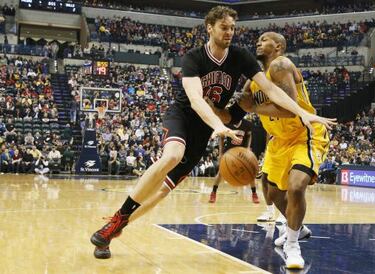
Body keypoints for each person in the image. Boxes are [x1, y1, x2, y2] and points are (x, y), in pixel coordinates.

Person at [90, 6, 336, 260]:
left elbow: (273, 93)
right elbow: (196, 99)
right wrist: (218, 126)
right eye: (224, 27)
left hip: (205, 129)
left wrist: (302, 112)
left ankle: (112, 230)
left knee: (164, 191)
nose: (229, 32)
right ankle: (119, 217)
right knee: (172, 155)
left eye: (232, 28)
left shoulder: (241, 58)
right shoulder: (194, 57)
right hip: (183, 117)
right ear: (210, 28)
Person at [235, 32, 330, 269]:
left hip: (303, 133)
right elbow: (241, 106)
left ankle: (292, 245)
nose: (258, 41)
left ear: (278, 46)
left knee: (296, 186)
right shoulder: (254, 79)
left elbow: (289, 109)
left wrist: (254, 107)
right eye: (257, 39)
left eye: (265, 39)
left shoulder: (281, 65)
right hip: (278, 140)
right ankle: (298, 227)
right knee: (272, 193)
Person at [208, 118, 260, 203]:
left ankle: (254, 193)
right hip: (229, 153)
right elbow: (221, 137)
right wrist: (221, 153)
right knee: (220, 173)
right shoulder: (227, 123)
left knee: (250, 172)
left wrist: (247, 148)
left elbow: (249, 135)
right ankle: (213, 192)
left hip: (241, 153)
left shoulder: (247, 124)